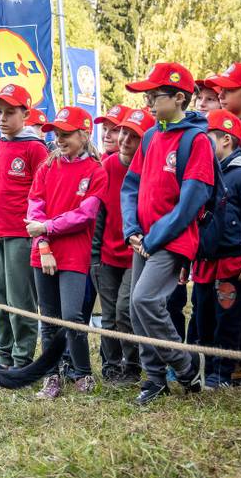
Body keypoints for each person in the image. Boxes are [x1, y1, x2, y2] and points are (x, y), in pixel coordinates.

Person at [121, 62, 214, 405]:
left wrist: (154, 237)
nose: (146, 102)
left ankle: (186, 366)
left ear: (178, 98)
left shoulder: (197, 141)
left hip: (171, 240)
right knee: (136, 307)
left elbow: (191, 201)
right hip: (142, 238)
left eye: (153, 95)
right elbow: (131, 186)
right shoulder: (149, 136)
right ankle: (155, 378)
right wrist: (131, 228)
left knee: (146, 299)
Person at [25, 106, 108, 398]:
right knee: (48, 319)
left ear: (84, 134)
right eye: (57, 134)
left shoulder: (96, 171)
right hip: (43, 252)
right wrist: (44, 242)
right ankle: (52, 376)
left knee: (72, 316)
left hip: (74, 254)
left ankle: (82, 373)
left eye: (66, 134)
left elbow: (85, 215)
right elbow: (34, 206)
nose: (59, 140)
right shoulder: (47, 167)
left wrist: (46, 228)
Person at [0, 84, 48, 369]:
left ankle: (23, 357)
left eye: (10, 112)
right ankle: (3, 352)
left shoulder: (35, 147)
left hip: (20, 232)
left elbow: (44, 191)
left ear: (26, 114)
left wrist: (40, 231)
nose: (2, 118)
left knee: (19, 297)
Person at [190, 109, 241, 389]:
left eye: (208, 139)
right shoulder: (203, 173)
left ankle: (225, 373)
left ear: (226, 140)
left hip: (232, 261)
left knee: (228, 318)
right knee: (202, 316)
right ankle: (208, 370)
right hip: (205, 260)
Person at [91, 107, 155, 385]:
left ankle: (132, 365)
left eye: (133, 136)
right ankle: (111, 365)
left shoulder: (150, 169)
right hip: (106, 254)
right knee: (108, 316)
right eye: (123, 133)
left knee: (124, 310)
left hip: (135, 254)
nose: (124, 141)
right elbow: (99, 214)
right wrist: (94, 255)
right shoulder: (108, 166)